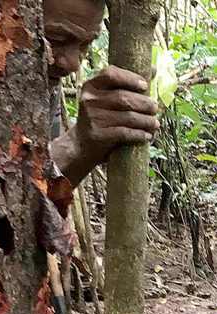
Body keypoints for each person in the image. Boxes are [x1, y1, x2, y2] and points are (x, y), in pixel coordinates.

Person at [44, 0, 160, 187]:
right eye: (56, 39)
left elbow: (36, 198)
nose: (74, 64)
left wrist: (87, 148)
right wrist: (76, 143)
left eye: (85, 44)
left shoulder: (46, 84)